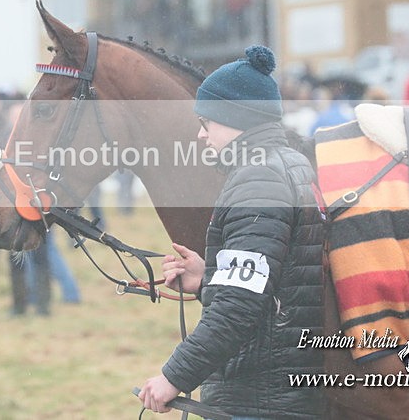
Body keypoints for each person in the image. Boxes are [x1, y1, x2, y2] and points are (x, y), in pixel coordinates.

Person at [137, 45, 325, 418]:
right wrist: (207, 278)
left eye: (206, 122)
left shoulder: (258, 179)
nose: (200, 134)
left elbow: (239, 306)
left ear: (235, 117)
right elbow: (276, 284)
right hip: (283, 388)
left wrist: (174, 377)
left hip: (259, 396)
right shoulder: (289, 164)